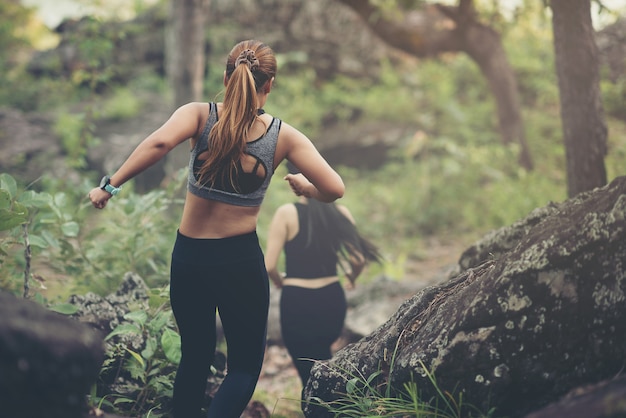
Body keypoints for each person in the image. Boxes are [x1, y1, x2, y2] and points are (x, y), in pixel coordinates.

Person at [88, 40, 344, 418]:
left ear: (226, 77)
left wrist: (109, 186)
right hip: (239, 260)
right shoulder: (282, 135)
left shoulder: (198, 115)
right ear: (269, 85)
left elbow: (159, 143)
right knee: (242, 367)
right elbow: (335, 188)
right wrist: (307, 188)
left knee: (194, 357)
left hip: (189, 257)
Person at [264, 163, 381, 393]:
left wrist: (279, 280)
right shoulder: (340, 212)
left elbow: (269, 265)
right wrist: (351, 277)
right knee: (324, 363)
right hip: (331, 299)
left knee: (307, 371)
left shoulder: (287, 213)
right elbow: (358, 259)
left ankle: (318, 406)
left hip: (297, 300)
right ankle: (336, 404)